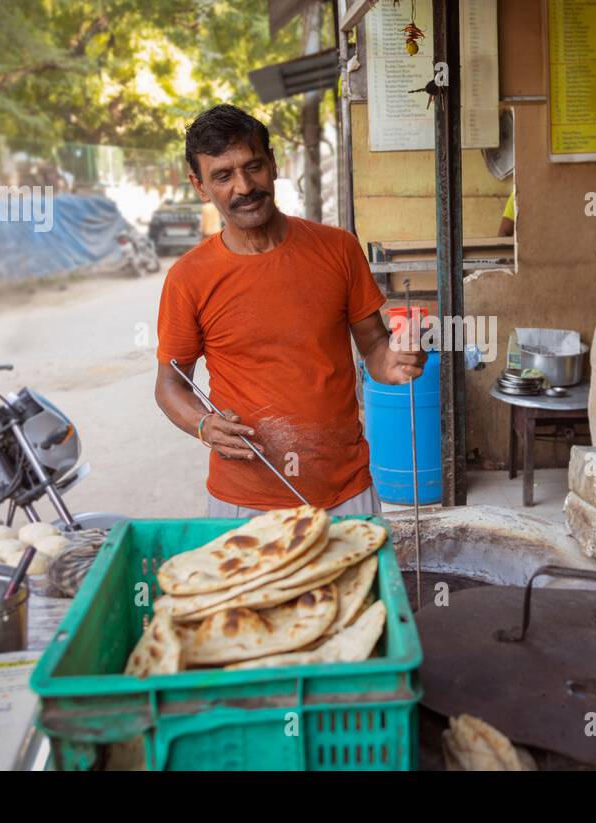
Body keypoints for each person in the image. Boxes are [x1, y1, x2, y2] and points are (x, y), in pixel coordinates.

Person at [154, 105, 425, 517]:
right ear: (200, 185)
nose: (244, 186)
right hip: (243, 500)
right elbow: (171, 385)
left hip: (345, 493)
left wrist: (391, 362)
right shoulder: (188, 278)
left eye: (253, 166)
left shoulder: (338, 248)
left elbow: (373, 344)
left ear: (274, 164)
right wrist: (203, 426)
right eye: (223, 175)